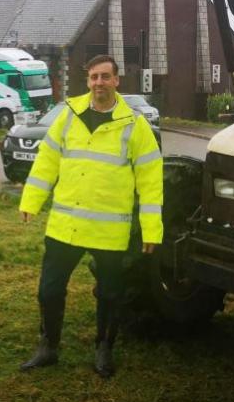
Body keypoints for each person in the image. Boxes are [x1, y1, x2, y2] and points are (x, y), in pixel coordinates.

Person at [18, 54, 163, 378]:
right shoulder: (68, 116)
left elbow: (151, 181)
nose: (99, 83)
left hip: (107, 231)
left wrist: (151, 230)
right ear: (88, 81)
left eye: (105, 77)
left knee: (111, 295)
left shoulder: (134, 125)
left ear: (116, 81)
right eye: (94, 77)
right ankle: (48, 347)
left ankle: (103, 349)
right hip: (65, 226)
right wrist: (31, 200)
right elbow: (46, 162)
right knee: (48, 291)